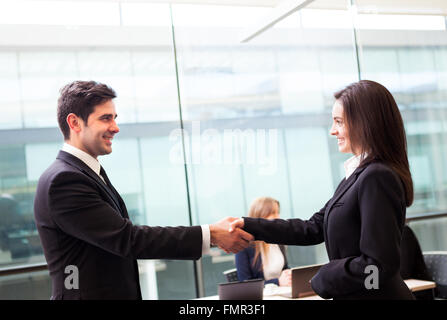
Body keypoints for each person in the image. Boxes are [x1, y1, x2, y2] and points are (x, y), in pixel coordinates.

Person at [33, 80, 253, 300]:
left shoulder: (84, 173)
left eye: (115, 118)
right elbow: (128, 239)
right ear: (75, 123)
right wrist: (210, 234)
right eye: (105, 118)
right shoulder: (64, 180)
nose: (115, 127)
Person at [230, 80, 415, 300]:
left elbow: (378, 267)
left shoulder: (377, 177)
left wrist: (326, 277)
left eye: (338, 122)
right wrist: (249, 225)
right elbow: (312, 228)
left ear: (364, 123)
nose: (332, 131)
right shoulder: (357, 177)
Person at [235, 197, 291, 286]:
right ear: (260, 216)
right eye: (273, 213)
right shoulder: (244, 245)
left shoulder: (278, 240)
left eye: (278, 213)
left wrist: (288, 274)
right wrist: (277, 282)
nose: (278, 217)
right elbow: (245, 283)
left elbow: (284, 268)